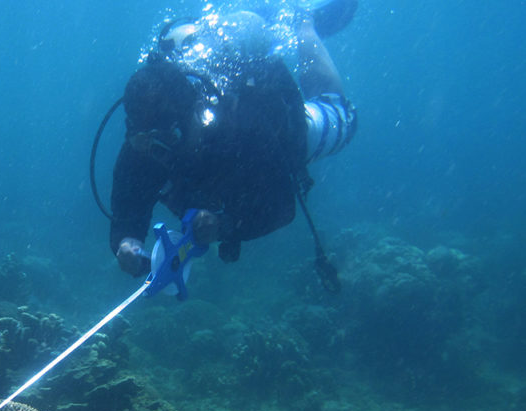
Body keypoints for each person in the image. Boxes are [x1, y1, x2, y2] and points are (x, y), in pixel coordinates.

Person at [111, 2, 357, 277]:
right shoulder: (143, 141)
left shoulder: (241, 126)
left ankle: (303, 22)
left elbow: (282, 207)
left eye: (169, 139)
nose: (160, 152)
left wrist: (225, 224)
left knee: (343, 116)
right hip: (220, 176)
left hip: (284, 133)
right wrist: (127, 242)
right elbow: (127, 207)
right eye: (149, 142)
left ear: (195, 114)